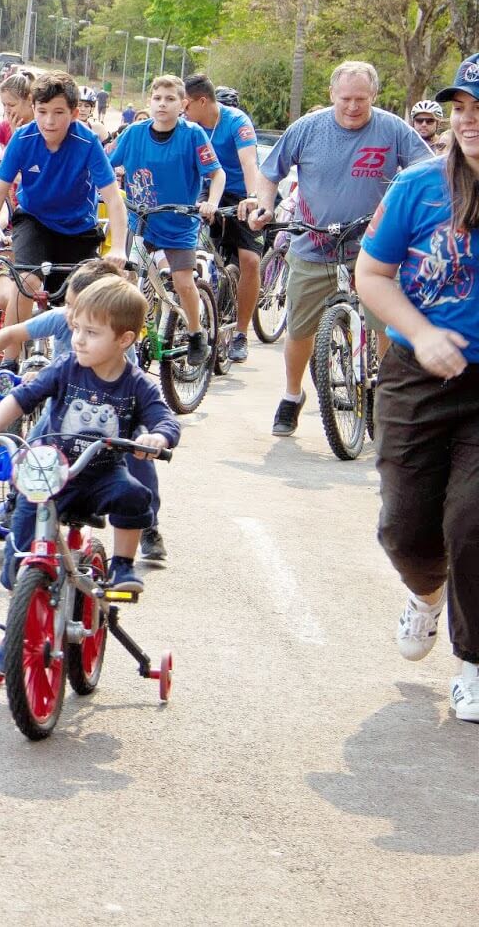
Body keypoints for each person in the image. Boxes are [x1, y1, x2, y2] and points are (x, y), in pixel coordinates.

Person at [357, 53, 479, 721]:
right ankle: (426, 596)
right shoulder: (417, 186)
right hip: (418, 372)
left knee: (473, 522)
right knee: (406, 527)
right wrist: (421, 332)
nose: (467, 122)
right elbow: (372, 274)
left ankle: (474, 661)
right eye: (461, 108)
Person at [242, 61, 430, 437]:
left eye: (361, 99)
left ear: (373, 97)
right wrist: (262, 203)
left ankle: (386, 396)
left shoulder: (393, 130)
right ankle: (293, 395)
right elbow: (269, 172)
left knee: (387, 328)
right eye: (346, 98)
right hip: (313, 244)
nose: (353, 106)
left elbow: (427, 168)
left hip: (374, 250)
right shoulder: (307, 129)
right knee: (299, 330)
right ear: (332, 95)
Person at [0, 276, 180, 596]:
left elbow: (164, 418)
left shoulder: (137, 384)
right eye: (76, 329)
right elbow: (23, 397)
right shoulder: (66, 366)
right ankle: (23, 604)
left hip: (103, 474)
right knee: (15, 566)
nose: (78, 340)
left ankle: (122, 564)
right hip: (51, 469)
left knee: (136, 495)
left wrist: (158, 438)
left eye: (91, 333)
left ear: (124, 340)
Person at [0, 73, 129, 327]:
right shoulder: (22, 138)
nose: (49, 121)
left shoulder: (87, 143)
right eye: (42, 111)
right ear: (33, 108)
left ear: (74, 114)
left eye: (58, 112)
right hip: (34, 220)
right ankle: (12, 359)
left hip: (78, 228)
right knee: (27, 281)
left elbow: (113, 199)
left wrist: (119, 247)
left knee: (83, 297)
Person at [109, 74, 224, 367]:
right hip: (140, 221)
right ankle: (126, 337)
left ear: (183, 104)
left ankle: (197, 333)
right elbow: (106, 168)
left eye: (170, 99)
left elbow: (216, 173)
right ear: (150, 101)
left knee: (183, 281)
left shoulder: (193, 134)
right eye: (157, 98)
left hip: (179, 223)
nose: (162, 105)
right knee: (124, 277)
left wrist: (210, 202)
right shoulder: (133, 133)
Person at [184, 72, 264, 361]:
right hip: (206, 191)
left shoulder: (236, 122)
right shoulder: (188, 126)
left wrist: (253, 197)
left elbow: (249, 163)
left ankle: (241, 333)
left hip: (241, 192)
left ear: (202, 101)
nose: (183, 112)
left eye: (186, 105)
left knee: (250, 260)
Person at [0, 71, 34, 148]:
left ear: (29, 100)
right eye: (4, 104)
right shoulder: (3, 127)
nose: (7, 109)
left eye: (11, 105)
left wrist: (17, 136)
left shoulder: (42, 128)